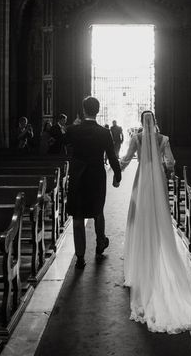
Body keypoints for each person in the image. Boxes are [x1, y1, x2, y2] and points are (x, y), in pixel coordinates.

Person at [119, 111, 191, 333]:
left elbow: (127, 159)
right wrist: (165, 170)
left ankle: (139, 261)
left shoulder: (137, 139)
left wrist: (118, 170)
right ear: (155, 121)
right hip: (157, 182)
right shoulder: (163, 139)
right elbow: (170, 162)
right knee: (160, 218)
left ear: (141, 122)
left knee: (138, 219)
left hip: (142, 181)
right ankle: (158, 254)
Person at [64, 97, 121, 269]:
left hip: (78, 176)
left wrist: (72, 126)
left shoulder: (73, 130)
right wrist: (117, 175)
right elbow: (111, 156)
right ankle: (100, 245)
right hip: (96, 175)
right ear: (97, 110)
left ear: (83, 110)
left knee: (78, 215)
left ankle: (80, 256)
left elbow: (62, 143)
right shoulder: (104, 132)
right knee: (98, 211)